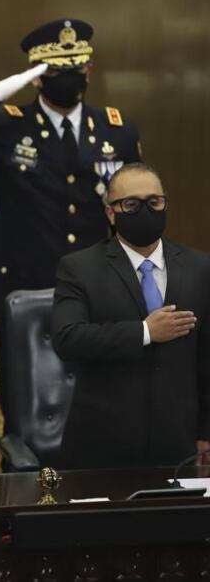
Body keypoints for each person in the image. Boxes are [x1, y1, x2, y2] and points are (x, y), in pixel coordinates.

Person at [0, 19, 142, 312]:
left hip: (93, 287)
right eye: (55, 71)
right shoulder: (8, 125)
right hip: (18, 285)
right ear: (36, 76)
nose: (68, 78)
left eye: (76, 69)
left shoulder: (116, 130)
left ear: (89, 71)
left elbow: (133, 211)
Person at [52, 163, 210, 469]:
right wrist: (145, 332)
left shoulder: (200, 268)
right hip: (103, 444)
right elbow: (67, 338)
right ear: (111, 213)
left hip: (178, 444)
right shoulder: (79, 268)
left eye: (154, 202)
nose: (145, 211)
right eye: (131, 204)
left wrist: (207, 432)